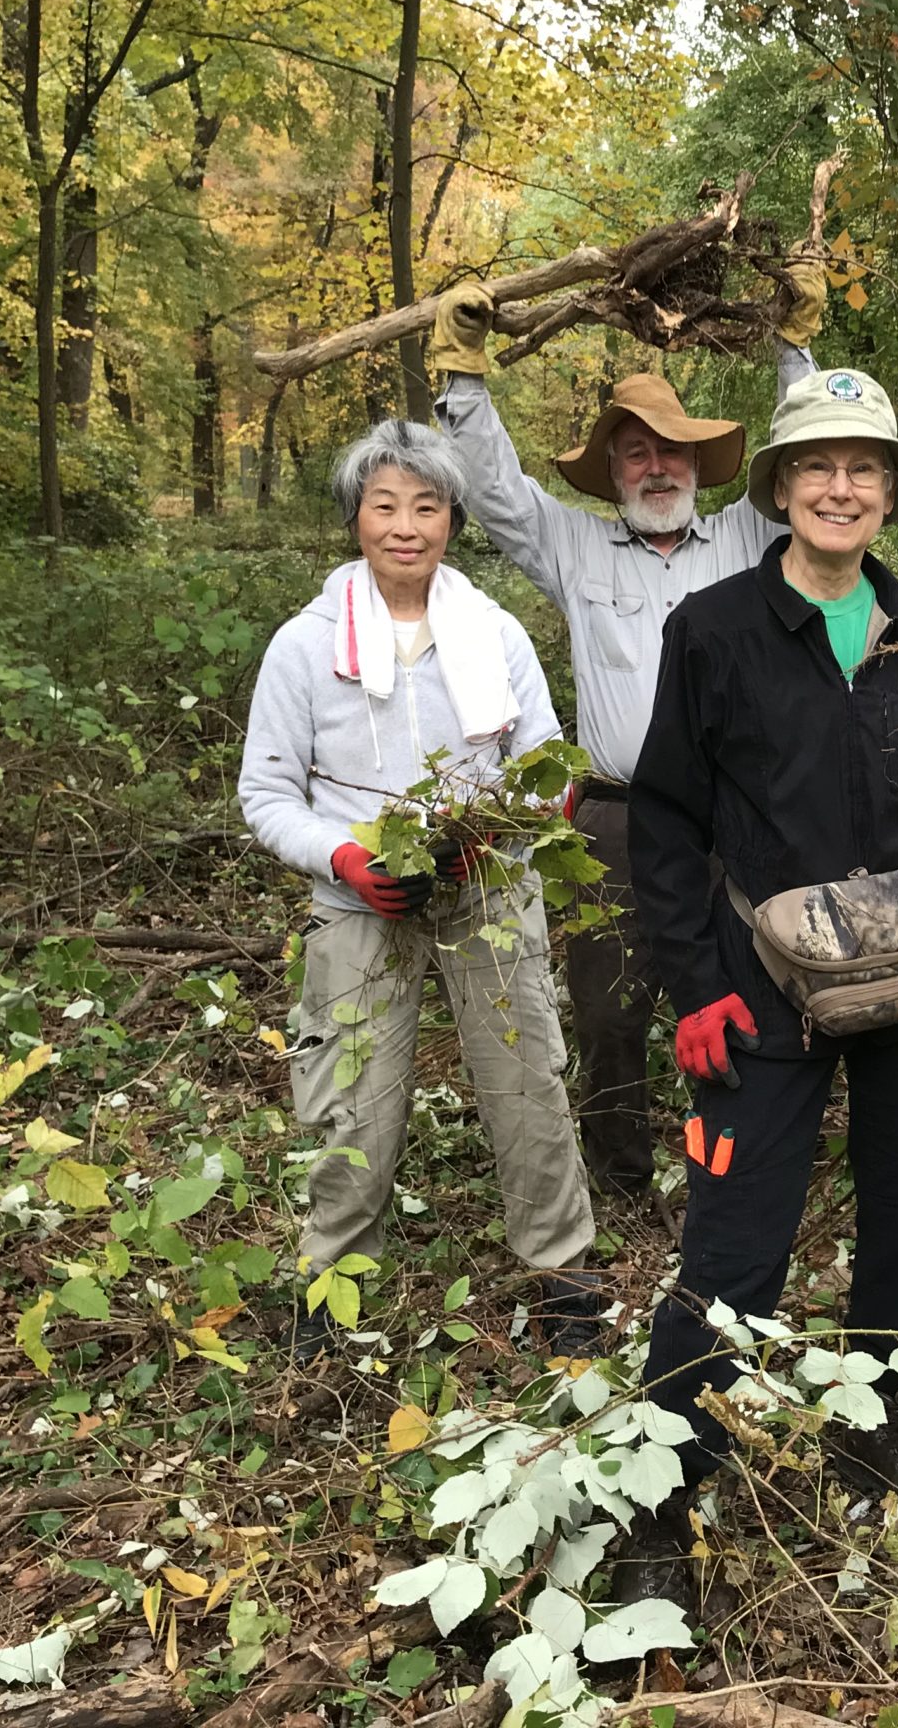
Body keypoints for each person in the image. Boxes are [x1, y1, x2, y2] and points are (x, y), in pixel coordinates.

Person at [608, 367, 898, 1610]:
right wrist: (694, 986)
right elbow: (669, 821)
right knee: (732, 1252)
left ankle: (882, 1429)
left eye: (863, 469)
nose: (840, 488)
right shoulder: (717, 630)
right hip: (759, 990)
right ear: (780, 489)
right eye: (815, 467)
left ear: (890, 490)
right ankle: (664, 1490)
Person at [427, 273, 825, 1203]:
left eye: (672, 454)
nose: (656, 469)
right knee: (610, 1009)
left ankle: (730, 1163)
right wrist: (464, 373)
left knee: (748, 985)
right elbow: (492, 494)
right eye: (636, 454)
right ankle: (624, 1176)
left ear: (699, 467)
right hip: (618, 818)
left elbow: (811, 458)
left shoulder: (745, 541)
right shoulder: (573, 548)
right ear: (613, 474)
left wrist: (792, 346)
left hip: (736, 816)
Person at [239, 421, 606, 1362]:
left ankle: (563, 1272)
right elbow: (268, 793)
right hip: (363, 901)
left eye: (428, 507)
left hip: (487, 890)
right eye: (386, 505)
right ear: (356, 517)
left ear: (453, 520)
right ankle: (333, 1281)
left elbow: (543, 763)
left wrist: (511, 822)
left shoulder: (495, 631)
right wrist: (346, 858)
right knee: (349, 1096)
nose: (407, 526)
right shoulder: (305, 645)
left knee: (527, 1080)